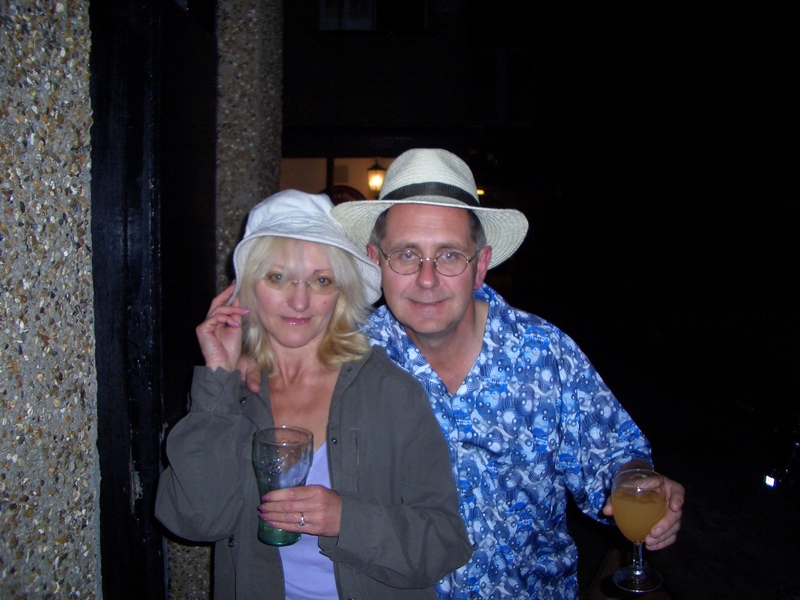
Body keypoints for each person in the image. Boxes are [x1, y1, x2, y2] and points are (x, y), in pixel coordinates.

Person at [243, 150, 685, 599]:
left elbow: (615, 460)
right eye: (407, 254)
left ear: (481, 265)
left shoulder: (545, 353)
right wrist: (242, 359)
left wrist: (639, 482)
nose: (427, 278)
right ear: (376, 260)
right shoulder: (346, 354)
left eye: (450, 255)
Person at [155, 189, 473, 600]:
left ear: (341, 292)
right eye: (277, 278)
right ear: (245, 290)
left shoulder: (390, 392)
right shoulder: (232, 394)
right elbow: (196, 521)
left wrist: (346, 519)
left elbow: (446, 543)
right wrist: (217, 375)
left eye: (321, 281)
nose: (299, 301)